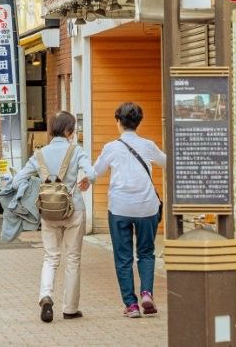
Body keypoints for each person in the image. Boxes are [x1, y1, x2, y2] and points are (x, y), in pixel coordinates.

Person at [9, 111, 93, 323]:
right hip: (74, 208)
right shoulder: (76, 151)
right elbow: (91, 173)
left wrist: (38, 188)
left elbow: (18, 180)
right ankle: (70, 308)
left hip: (48, 211)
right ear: (68, 131)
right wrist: (85, 181)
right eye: (72, 130)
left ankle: (45, 295)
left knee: (51, 257)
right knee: (73, 258)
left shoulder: (39, 154)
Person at [92, 102, 165, 319]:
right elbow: (167, 162)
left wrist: (86, 180)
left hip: (120, 207)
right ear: (138, 122)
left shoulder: (111, 148)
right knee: (146, 252)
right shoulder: (148, 145)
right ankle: (146, 293)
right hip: (146, 206)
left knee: (123, 257)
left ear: (118, 122)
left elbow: (95, 173)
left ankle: (131, 305)